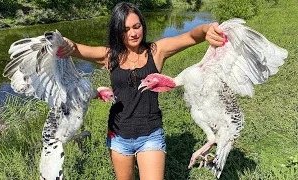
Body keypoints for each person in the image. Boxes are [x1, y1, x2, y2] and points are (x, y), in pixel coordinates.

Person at [58, 2, 225, 180]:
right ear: (117, 31)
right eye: (126, 29)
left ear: (142, 26)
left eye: (137, 26)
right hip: (118, 136)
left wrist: (207, 29)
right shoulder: (110, 56)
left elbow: (192, 36)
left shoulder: (157, 51)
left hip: (150, 134)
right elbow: (76, 49)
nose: (133, 33)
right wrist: (66, 44)